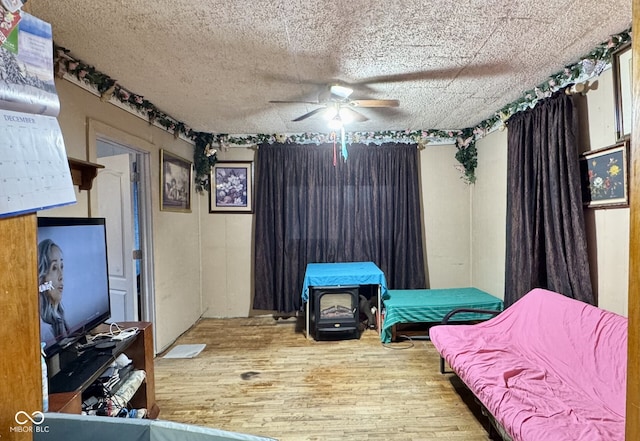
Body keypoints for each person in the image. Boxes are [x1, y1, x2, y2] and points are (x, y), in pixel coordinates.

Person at [38, 238, 70, 341]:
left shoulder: (59, 317)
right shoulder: (44, 331)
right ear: (42, 277)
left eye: (62, 266)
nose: (61, 276)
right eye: (54, 268)